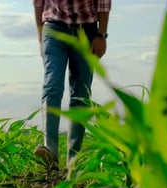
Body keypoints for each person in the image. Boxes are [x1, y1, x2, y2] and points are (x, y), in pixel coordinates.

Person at [32, 0, 112, 171]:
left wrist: (101, 35)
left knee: (81, 93)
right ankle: (50, 150)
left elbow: (103, 3)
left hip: (87, 31)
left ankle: (74, 159)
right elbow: (38, 3)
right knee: (52, 85)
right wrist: (41, 38)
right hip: (53, 29)